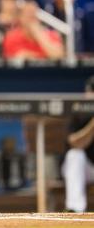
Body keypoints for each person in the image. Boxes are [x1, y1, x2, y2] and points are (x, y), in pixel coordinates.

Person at [62, 76, 94, 212]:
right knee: (75, 155)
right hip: (85, 168)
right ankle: (75, 210)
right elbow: (75, 144)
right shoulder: (79, 112)